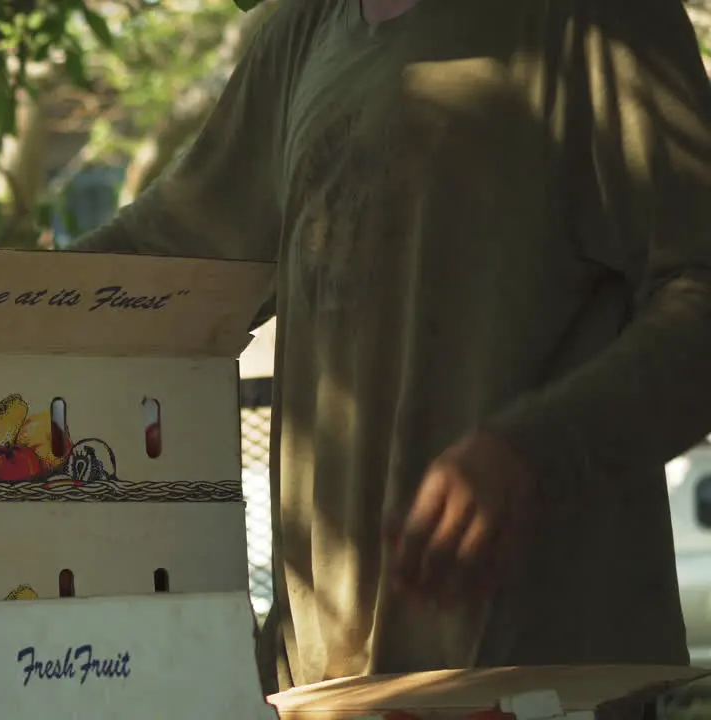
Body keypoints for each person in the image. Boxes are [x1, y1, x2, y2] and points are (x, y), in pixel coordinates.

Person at [68, 0, 711, 693]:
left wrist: (536, 453)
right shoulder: (302, 33)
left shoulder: (595, 16)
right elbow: (155, 259)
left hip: (540, 678)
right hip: (324, 684)